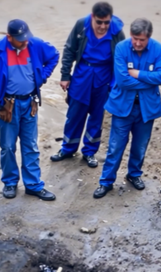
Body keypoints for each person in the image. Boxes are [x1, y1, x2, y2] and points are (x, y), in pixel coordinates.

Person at [0, 19, 60, 201]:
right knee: (7, 146)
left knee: (30, 145)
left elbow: (54, 55)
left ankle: (33, 185)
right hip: (8, 105)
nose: (25, 42)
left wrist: (41, 77)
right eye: (20, 39)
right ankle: (10, 182)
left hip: (29, 102)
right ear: (9, 37)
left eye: (26, 38)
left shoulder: (35, 44)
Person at [93, 18, 161, 199]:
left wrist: (138, 74)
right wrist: (148, 80)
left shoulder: (159, 49)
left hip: (146, 109)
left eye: (142, 39)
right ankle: (106, 181)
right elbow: (123, 81)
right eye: (135, 38)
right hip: (122, 107)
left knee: (140, 146)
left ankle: (134, 174)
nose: (138, 43)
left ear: (148, 37)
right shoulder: (121, 48)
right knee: (115, 147)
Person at [50, 2, 125, 169]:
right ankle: (68, 148)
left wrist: (115, 85)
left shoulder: (117, 31)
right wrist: (65, 75)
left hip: (103, 78)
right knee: (75, 114)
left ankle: (89, 152)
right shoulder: (81, 26)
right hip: (82, 75)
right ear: (92, 17)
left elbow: (122, 58)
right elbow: (69, 49)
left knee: (97, 118)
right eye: (99, 22)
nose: (103, 26)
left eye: (106, 22)